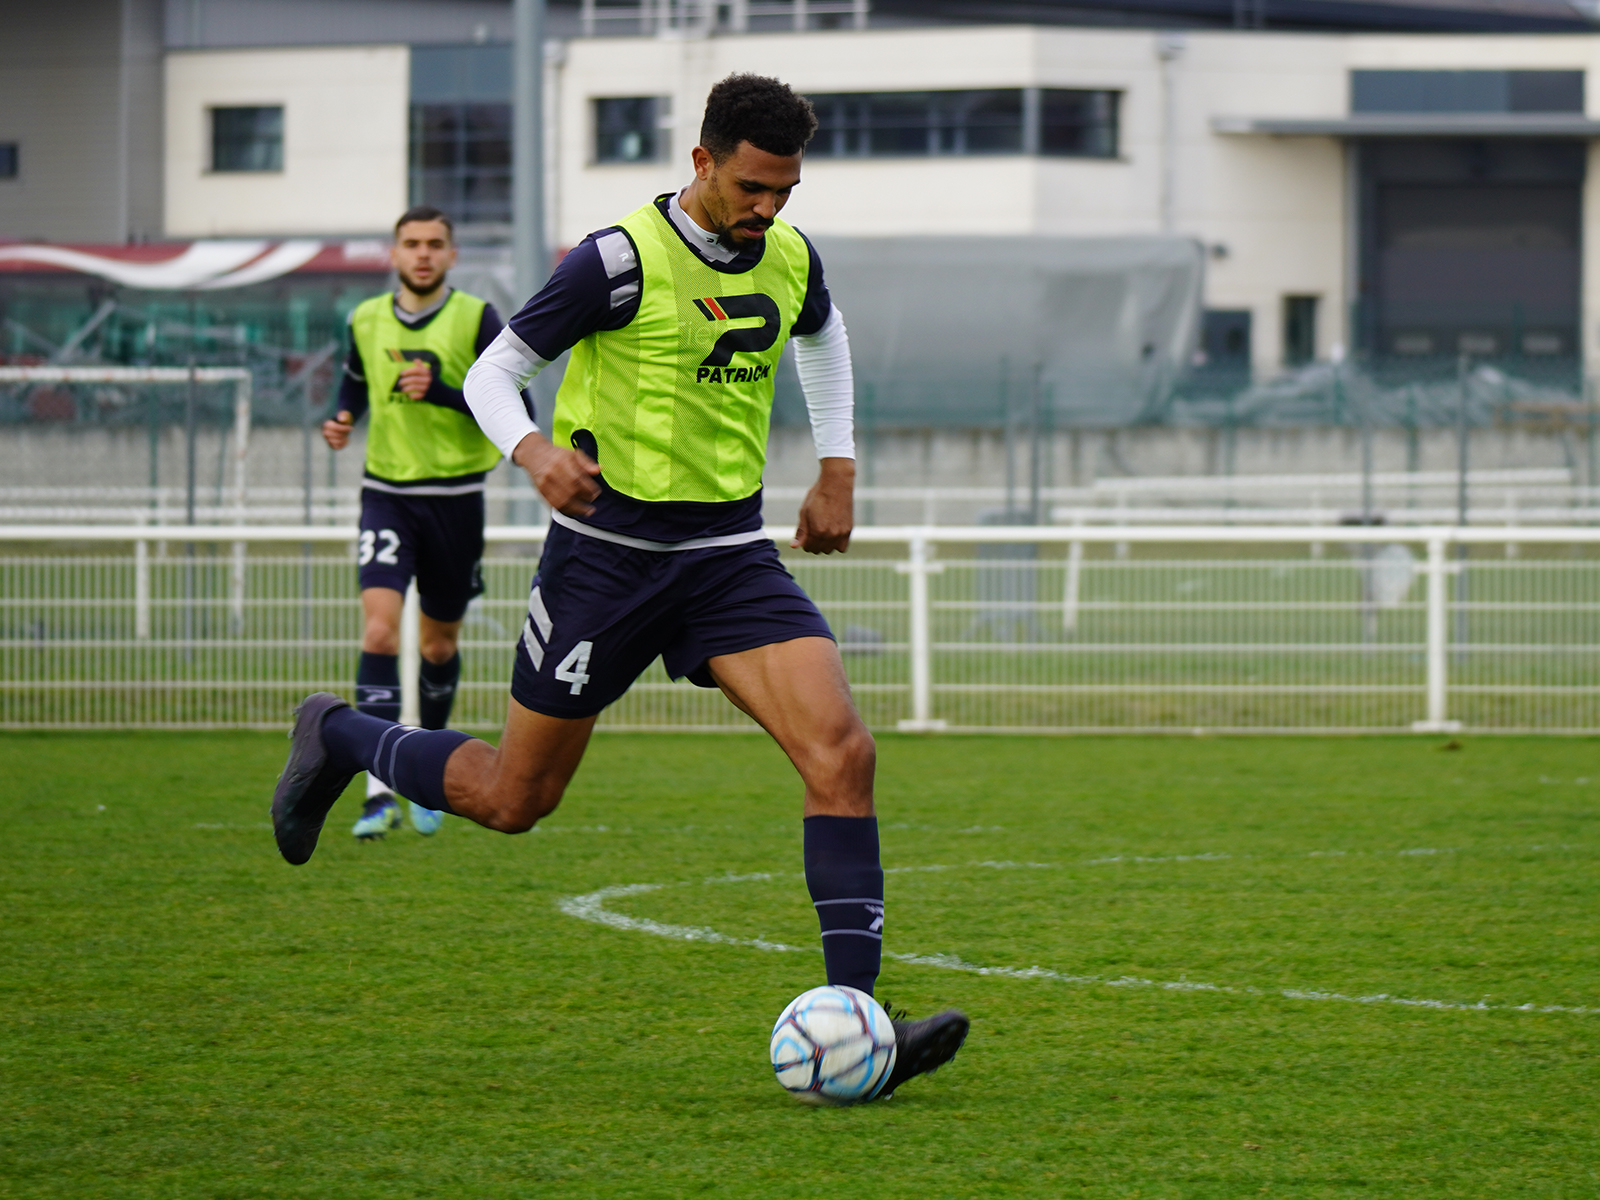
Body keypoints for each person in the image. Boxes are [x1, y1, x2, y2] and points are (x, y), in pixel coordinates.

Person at [274, 75, 967, 1099]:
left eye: (784, 190)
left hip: (729, 558)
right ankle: (337, 732)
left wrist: (838, 467)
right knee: (516, 799)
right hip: (606, 562)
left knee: (842, 754)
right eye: (749, 186)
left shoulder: (787, 255)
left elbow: (822, 334)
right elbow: (492, 373)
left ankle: (861, 1025)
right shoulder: (616, 261)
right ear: (701, 162)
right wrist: (533, 451)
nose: (766, 208)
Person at [322, 205, 522, 841]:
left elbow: (516, 403)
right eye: (412, 244)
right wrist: (341, 419)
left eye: (436, 244)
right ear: (394, 253)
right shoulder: (364, 318)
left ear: (452, 255)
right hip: (387, 494)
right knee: (379, 633)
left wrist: (440, 388)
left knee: (438, 646)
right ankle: (376, 793)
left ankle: (429, 769)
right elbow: (353, 385)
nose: (423, 254)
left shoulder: (476, 319)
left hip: (458, 500)